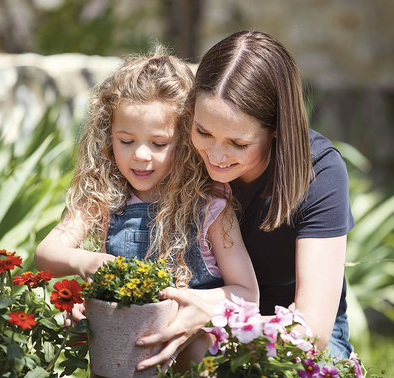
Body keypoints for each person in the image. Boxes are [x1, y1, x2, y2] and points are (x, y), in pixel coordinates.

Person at [135, 30, 355, 370]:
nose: (216, 156)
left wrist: (215, 317)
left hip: (286, 334)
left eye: (239, 144)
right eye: (203, 132)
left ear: (277, 128)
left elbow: (313, 331)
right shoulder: (180, 153)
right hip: (193, 323)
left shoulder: (320, 173)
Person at [34, 46, 259, 370]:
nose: (140, 155)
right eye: (126, 140)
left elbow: (247, 293)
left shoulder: (210, 205)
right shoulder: (103, 197)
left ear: (185, 140)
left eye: (158, 143)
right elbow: (46, 252)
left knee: (197, 346)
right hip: (126, 351)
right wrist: (88, 263)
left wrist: (186, 304)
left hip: (191, 348)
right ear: (107, 135)